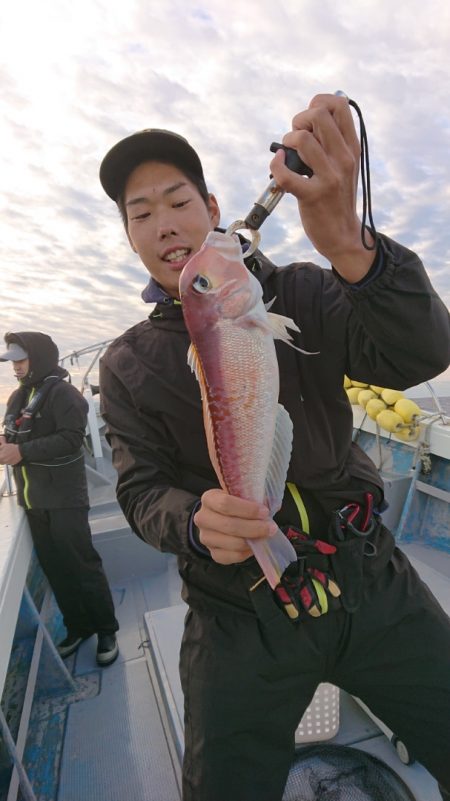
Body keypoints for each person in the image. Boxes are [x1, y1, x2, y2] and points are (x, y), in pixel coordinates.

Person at [98, 94, 450, 800]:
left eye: (178, 200)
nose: (165, 223)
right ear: (130, 237)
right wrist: (195, 523)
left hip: (370, 579)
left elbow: (423, 351)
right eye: (141, 213)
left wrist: (351, 246)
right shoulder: (128, 362)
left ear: (214, 205)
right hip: (237, 615)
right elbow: (141, 493)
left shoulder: (306, 292)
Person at [0, 331, 119, 667]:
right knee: (56, 569)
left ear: (37, 358)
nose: (16, 368)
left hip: (65, 499)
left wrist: (20, 451)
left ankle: (107, 630)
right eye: (12, 361)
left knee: (82, 566)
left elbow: (69, 440)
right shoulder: (17, 398)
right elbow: (17, 433)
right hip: (33, 501)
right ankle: (78, 627)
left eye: (20, 360)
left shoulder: (65, 395)